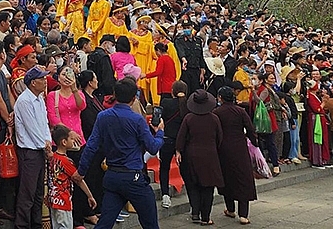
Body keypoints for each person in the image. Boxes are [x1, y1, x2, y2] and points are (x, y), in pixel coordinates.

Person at [79, 78, 164, 229]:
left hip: (112, 175)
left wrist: (81, 171)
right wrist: (159, 133)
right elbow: (152, 147)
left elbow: (91, 146)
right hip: (133, 176)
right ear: (134, 98)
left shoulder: (103, 116)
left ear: (115, 95)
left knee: (105, 222)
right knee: (150, 221)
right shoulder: (137, 119)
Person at [13, 66, 53, 229]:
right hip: (29, 151)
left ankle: (36, 224)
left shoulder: (39, 98)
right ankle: (22, 225)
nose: (45, 82)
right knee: (27, 193)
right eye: (42, 79)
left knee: (38, 193)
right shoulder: (24, 101)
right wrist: (45, 146)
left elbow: (44, 124)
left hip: (40, 149)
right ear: (32, 82)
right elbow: (32, 128)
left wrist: (48, 141)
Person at [176, 89, 224, 225]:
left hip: (191, 155)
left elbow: (181, 137)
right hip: (210, 155)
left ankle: (195, 213)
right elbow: (220, 138)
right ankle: (205, 217)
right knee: (208, 188)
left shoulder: (188, 118)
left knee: (193, 186)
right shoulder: (214, 118)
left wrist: (179, 151)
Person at [214, 85, 258, 225]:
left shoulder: (217, 112)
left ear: (220, 97)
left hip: (223, 149)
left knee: (227, 178)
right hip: (240, 148)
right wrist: (255, 143)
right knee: (242, 178)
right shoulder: (240, 111)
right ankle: (243, 215)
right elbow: (250, 129)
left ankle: (230, 209)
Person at [158, 80, 188, 209]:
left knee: (164, 168)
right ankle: (192, 197)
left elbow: (157, 119)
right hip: (183, 142)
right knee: (186, 169)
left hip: (167, 139)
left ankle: (165, 195)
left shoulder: (166, 103)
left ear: (172, 91)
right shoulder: (188, 105)